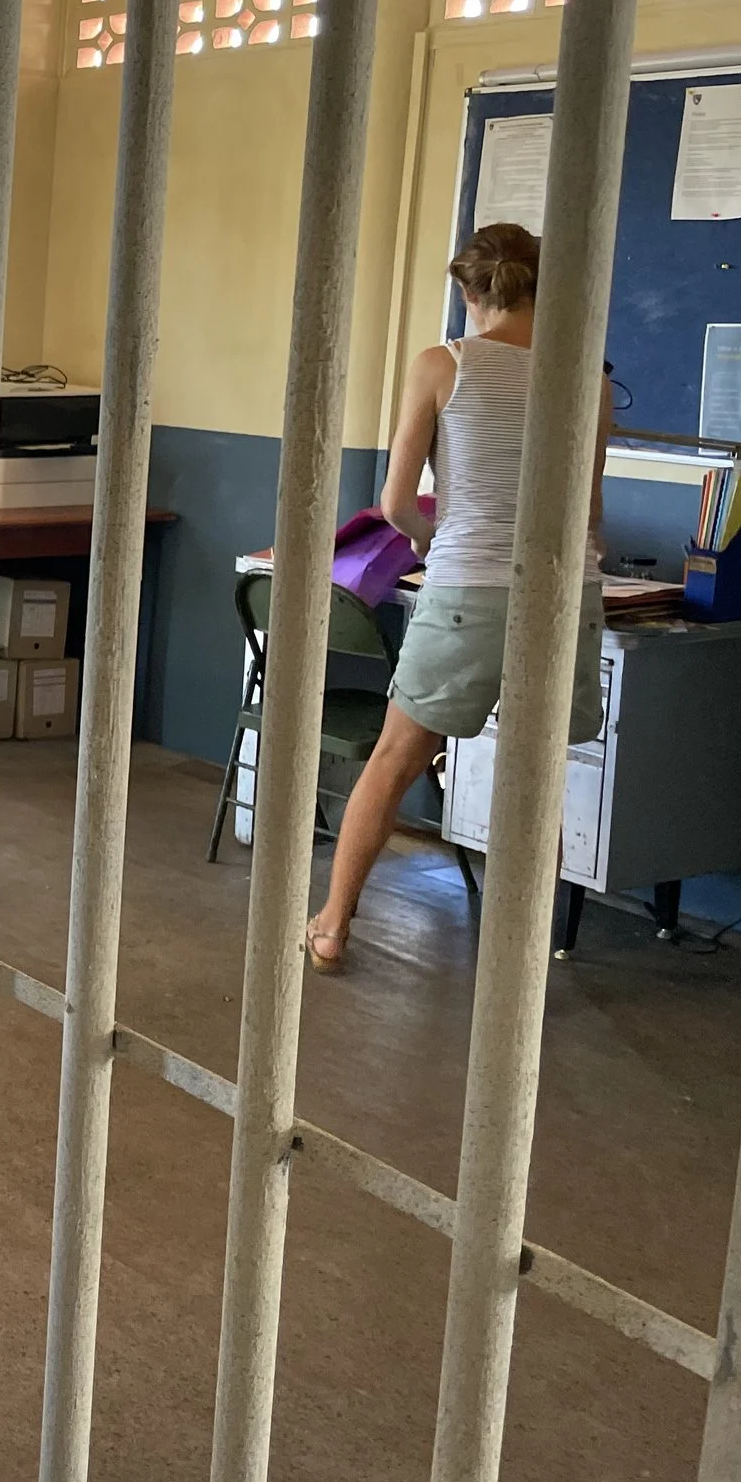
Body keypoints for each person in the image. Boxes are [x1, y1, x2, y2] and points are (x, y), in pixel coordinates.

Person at [302, 223, 610, 973]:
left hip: (467, 582)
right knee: (539, 779)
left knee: (394, 760)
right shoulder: (589, 379)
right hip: (566, 595)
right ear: (544, 286)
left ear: (472, 295)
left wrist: (424, 543)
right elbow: (589, 510)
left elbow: (399, 499)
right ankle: (524, 959)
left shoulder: (445, 365)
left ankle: (334, 925)